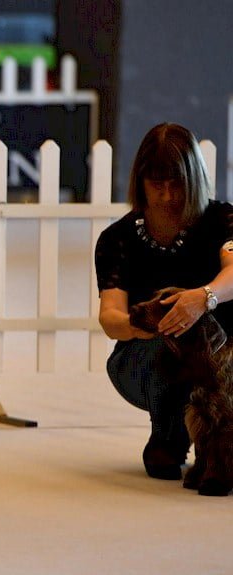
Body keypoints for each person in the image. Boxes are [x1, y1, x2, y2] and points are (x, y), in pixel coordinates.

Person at [95, 122, 233, 481]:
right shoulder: (117, 239)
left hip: (220, 351)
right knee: (169, 348)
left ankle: (214, 450)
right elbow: (110, 316)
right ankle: (168, 438)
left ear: (195, 181)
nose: (169, 196)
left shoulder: (224, 221)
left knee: (213, 359)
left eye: (178, 185)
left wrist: (204, 298)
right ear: (140, 182)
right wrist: (141, 326)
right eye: (158, 185)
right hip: (147, 356)